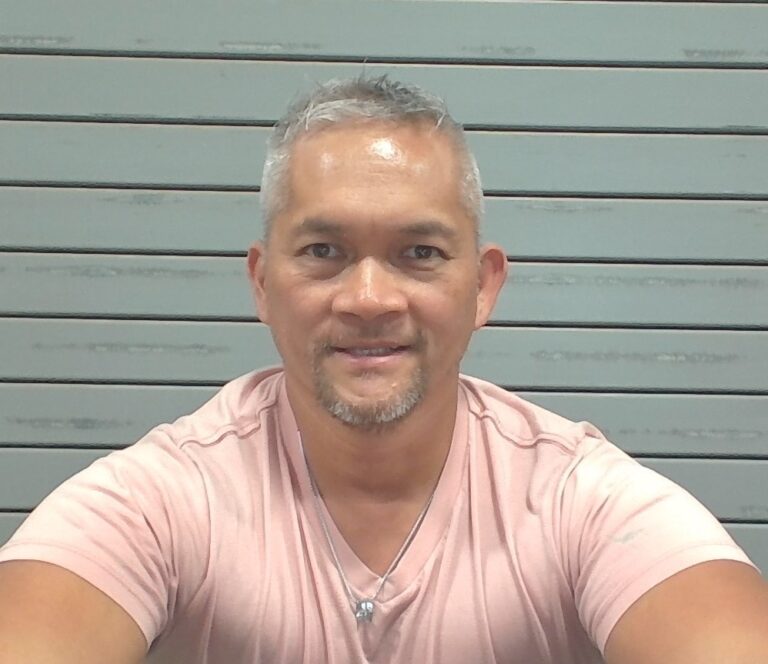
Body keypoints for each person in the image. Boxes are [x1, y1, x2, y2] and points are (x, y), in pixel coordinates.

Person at [0, 76, 766, 664]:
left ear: (483, 287)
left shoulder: (578, 500)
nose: (369, 299)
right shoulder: (162, 500)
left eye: (419, 253)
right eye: (324, 252)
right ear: (263, 283)